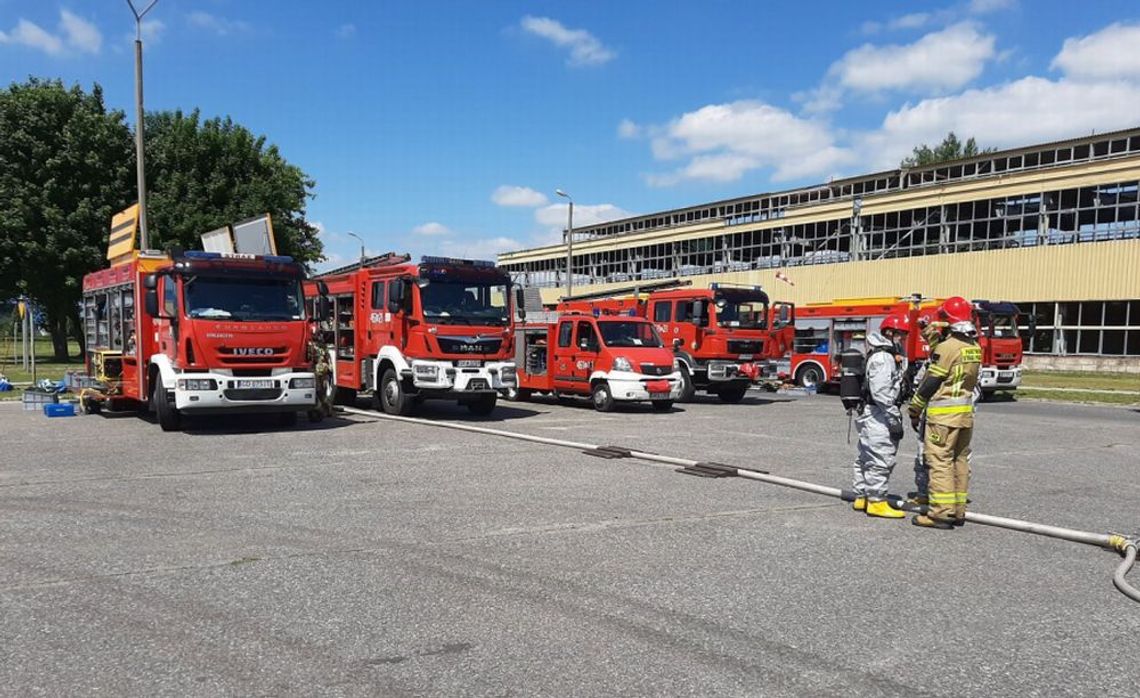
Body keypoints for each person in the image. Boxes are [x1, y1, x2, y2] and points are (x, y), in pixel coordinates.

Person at [908, 297, 982, 529]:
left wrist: (915, 407)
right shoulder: (973, 347)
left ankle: (940, 513)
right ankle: (957, 511)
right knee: (959, 461)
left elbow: (933, 380)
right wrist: (926, 329)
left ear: (948, 321)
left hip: (943, 416)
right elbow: (943, 347)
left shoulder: (947, 348)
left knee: (939, 461)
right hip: (964, 416)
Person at [851, 314, 910, 519]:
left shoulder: (881, 354)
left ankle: (862, 496)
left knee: (866, 456)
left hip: (872, 412)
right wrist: (894, 418)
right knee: (880, 456)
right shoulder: (884, 358)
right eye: (900, 335)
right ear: (890, 333)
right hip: (879, 413)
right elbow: (882, 393)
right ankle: (876, 501)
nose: (902, 340)